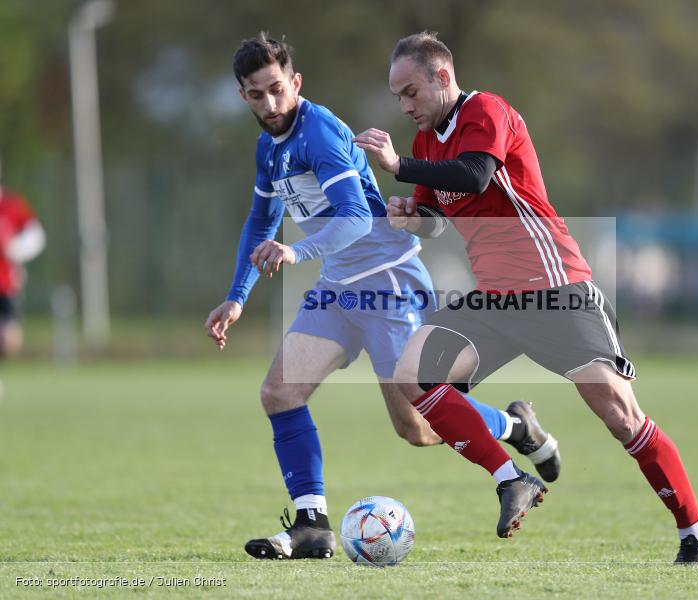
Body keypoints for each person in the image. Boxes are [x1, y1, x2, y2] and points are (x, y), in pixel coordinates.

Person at [354, 31, 698, 564]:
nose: (405, 105)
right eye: (397, 97)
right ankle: (510, 478)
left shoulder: (486, 110)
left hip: (555, 289)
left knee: (622, 417)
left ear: (442, 77)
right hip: (497, 300)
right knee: (412, 374)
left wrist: (397, 167)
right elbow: (436, 217)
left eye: (410, 92)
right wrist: (412, 218)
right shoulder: (426, 144)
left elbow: (475, 176)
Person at [205, 33, 561, 561]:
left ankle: (515, 426)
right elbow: (261, 219)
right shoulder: (268, 148)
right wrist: (237, 297)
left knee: (419, 426)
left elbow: (354, 219)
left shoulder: (320, 133)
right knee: (279, 393)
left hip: (388, 278)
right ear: (243, 96)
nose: (270, 104)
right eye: (257, 95)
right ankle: (311, 525)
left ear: (295, 83)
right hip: (337, 288)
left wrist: (297, 255)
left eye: (277, 89)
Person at [0, 159, 46, 360]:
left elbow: (36, 236)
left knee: (10, 340)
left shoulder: (11, 205)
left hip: (5, 283)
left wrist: (15, 250)